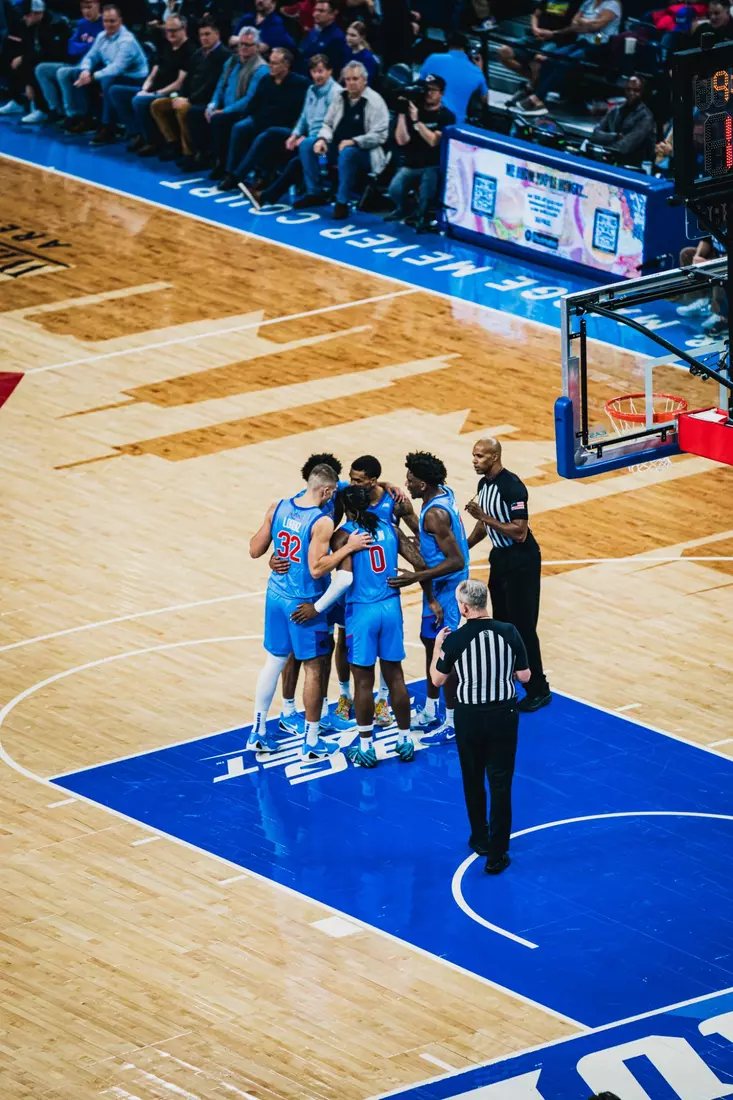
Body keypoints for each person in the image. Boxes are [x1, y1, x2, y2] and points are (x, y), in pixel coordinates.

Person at [292, 484, 420, 768]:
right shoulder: (390, 528)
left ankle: (365, 747)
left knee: (363, 681)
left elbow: (344, 579)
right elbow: (420, 562)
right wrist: (409, 578)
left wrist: (317, 607)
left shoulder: (344, 535)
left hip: (362, 611)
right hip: (391, 607)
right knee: (395, 676)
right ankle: (405, 739)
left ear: (347, 509)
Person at [248, 463, 371, 757]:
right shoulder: (321, 521)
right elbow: (317, 570)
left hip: (274, 595)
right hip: (303, 602)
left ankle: (258, 731)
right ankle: (312, 741)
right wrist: (348, 548)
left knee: (273, 662)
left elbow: (254, 549)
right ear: (327, 491)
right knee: (315, 670)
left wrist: (277, 553)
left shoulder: (277, 506)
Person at [431, 578, 530, 875]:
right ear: (485, 603)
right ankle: (497, 855)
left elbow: (437, 681)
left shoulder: (455, 640)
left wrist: (438, 647)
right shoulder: (509, 632)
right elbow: (524, 676)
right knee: (500, 784)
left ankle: (480, 838)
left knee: (473, 779)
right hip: (503, 715)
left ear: (463, 607)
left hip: (470, 718)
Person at [465, 436, 551, 712]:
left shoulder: (512, 487)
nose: (474, 461)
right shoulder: (483, 484)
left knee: (523, 627)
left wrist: (483, 516)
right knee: (500, 624)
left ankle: (539, 689)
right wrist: (464, 548)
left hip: (522, 560)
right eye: (474, 455)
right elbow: (485, 526)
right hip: (500, 558)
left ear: (494, 457)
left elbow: (519, 531)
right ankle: (507, 679)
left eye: (479, 456)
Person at [388, 451, 469, 744]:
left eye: (410, 480)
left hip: (447, 590)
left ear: (423, 484)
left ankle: (452, 721)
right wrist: (409, 515)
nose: (406, 483)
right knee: (429, 646)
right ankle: (432, 708)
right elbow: (430, 541)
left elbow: (456, 560)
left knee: (444, 654)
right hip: (438, 586)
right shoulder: (441, 495)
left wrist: (415, 577)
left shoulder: (435, 514)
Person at [238, 52, 336, 209]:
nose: (317, 75)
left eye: (321, 71)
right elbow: (304, 117)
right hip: (308, 142)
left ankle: (314, 192)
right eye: (313, 71)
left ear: (330, 71)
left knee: (301, 154)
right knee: (293, 159)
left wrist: (312, 139)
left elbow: (332, 125)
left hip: (326, 147)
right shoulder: (311, 90)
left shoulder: (336, 93)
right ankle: (264, 196)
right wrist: (295, 135)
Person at [295, 59, 389, 219]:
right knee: (307, 145)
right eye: (348, 79)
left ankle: (342, 202)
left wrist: (354, 141)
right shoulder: (340, 97)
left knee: (347, 152)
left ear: (364, 80)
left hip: (364, 153)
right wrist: (322, 139)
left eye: (355, 79)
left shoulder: (375, 101)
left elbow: (380, 135)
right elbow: (327, 123)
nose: (351, 83)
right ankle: (314, 192)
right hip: (334, 148)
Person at [217, 46, 307, 191]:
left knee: (264, 136)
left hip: (282, 126)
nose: (270, 66)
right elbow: (254, 103)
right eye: (270, 62)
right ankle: (229, 171)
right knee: (239, 127)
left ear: (286, 65)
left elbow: (301, 112)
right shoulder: (266, 79)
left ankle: (237, 177)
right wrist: (246, 116)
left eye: (275, 63)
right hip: (260, 120)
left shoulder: (300, 84)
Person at [510, 0, 622, 117]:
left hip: (599, 47)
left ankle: (537, 98)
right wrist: (586, 24)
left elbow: (596, 26)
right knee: (551, 58)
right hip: (581, 41)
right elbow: (574, 24)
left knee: (566, 61)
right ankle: (537, 96)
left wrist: (583, 22)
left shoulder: (613, 5)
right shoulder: (588, 2)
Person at [56, 4, 148, 136]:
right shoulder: (102, 36)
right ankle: (86, 117)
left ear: (120, 21)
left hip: (135, 79)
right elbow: (91, 56)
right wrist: (86, 71)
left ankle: (107, 125)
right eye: (106, 21)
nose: (109, 24)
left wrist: (93, 77)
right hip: (114, 74)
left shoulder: (127, 41)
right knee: (77, 73)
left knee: (108, 79)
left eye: (112, 21)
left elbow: (117, 68)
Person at [106, 12, 194, 149]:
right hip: (153, 89)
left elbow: (179, 83)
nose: (170, 34)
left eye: (174, 30)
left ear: (184, 29)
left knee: (139, 101)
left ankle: (152, 141)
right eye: (167, 30)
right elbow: (154, 72)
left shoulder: (189, 50)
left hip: (170, 93)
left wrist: (154, 93)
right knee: (115, 91)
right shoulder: (166, 46)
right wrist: (145, 88)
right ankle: (136, 133)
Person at [149, 15, 228, 163]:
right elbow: (187, 80)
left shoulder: (224, 56)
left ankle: (190, 152)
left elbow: (212, 84)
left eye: (207, 34)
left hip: (206, 100)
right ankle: (173, 143)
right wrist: (180, 95)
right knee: (157, 105)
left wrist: (188, 99)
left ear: (217, 34)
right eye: (201, 35)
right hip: (189, 97)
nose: (204, 38)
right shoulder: (198, 54)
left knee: (184, 108)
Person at [385, 73, 455, 231]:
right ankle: (404, 210)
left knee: (427, 184)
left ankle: (421, 216)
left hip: (433, 165)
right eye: (426, 89)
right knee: (394, 190)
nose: (428, 93)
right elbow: (402, 140)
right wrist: (402, 113)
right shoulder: (414, 109)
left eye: (433, 90)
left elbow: (433, 140)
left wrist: (417, 121)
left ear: (441, 93)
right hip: (412, 164)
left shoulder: (447, 116)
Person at [199, 28, 267, 177]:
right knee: (198, 113)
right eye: (241, 44)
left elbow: (249, 99)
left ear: (257, 46)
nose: (243, 48)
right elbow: (220, 86)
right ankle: (202, 157)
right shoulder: (231, 61)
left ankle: (224, 166)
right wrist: (213, 104)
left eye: (248, 45)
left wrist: (224, 111)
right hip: (225, 108)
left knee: (220, 120)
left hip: (243, 112)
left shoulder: (261, 69)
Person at [30, 0, 102, 124]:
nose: (86, 11)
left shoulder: (105, 23)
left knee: (63, 73)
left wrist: (83, 46)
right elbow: (71, 48)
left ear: (98, 6)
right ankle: (56, 110)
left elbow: (100, 50)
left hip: (95, 67)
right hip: (77, 63)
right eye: (83, 8)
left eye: (90, 7)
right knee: (41, 69)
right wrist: (88, 46)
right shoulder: (81, 23)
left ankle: (75, 115)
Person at [498, 0, 580, 108]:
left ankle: (529, 89)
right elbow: (535, 15)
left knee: (539, 60)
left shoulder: (578, 3)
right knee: (503, 52)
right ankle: (534, 84)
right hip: (534, 37)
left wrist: (553, 33)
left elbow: (575, 27)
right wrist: (535, 29)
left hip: (556, 40)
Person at [0, 0, 69, 124]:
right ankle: (19, 101)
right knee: (13, 58)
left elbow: (50, 53)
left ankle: (43, 109)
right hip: (41, 58)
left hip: (58, 61)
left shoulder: (55, 24)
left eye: (27, 15)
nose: (24, 18)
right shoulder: (31, 25)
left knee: (35, 65)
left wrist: (29, 83)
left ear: (37, 13)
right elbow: (29, 49)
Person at [419, 31, 488, 125]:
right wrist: (480, 69)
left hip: (426, 118)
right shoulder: (477, 72)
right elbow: (484, 100)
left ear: (447, 44)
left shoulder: (433, 58)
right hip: (454, 126)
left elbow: (421, 83)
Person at [587, 75, 655, 166]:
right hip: (609, 160)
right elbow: (595, 135)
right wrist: (615, 137)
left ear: (642, 92)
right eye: (628, 89)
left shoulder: (646, 117)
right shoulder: (616, 110)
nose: (631, 93)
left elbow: (624, 147)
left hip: (631, 167)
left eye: (636, 90)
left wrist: (603, 148)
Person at [300, 0, 346, 76]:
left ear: (332, 14)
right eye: (315, 10)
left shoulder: (337, 38)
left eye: (321, 11)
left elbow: (332, 68)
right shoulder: (313, 31)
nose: (316, 14)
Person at [230, 0, 295, 52]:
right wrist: (254, 44)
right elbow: (231, 41)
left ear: (273, 2)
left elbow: (263, 48)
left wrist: (239, 41)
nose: (259, 1)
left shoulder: (277, 24)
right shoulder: (247, 18)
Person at [343, 20, 376, 84]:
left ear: (362, 37)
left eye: (353, 35)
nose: (348, 38)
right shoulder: (347, 49)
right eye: (347, 34)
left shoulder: (367, 58)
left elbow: (367, 82)